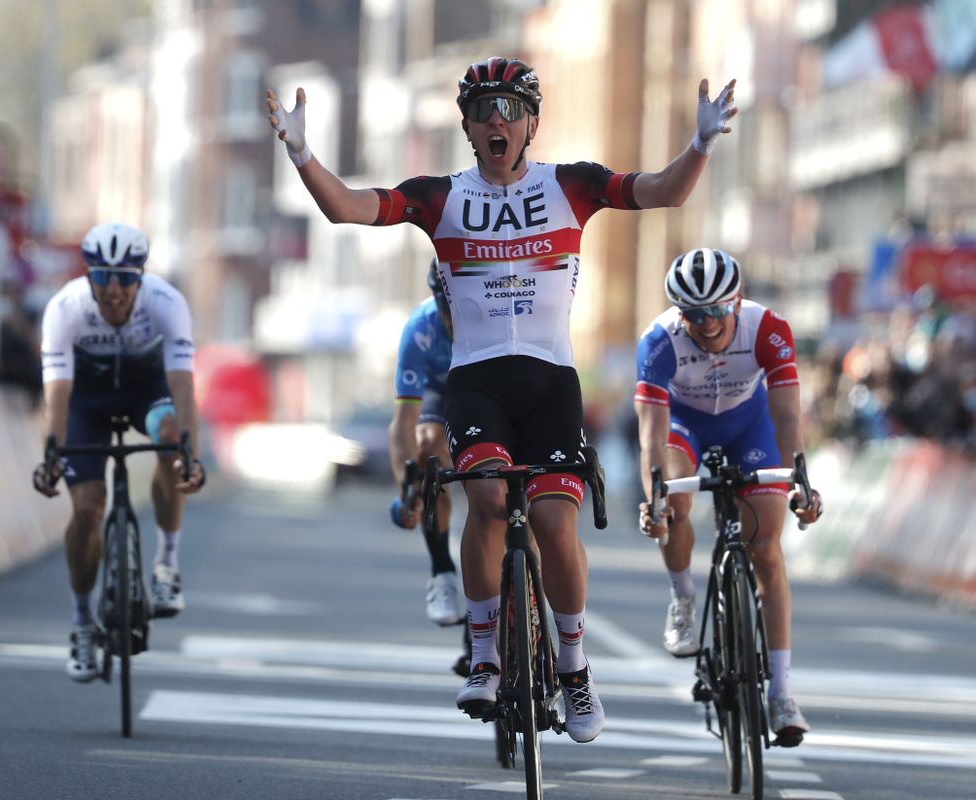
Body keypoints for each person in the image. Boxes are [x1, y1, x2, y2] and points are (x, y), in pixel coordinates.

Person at [267, 56, 737, 744]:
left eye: (511, 109)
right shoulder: (439, 196)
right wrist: (304, 154)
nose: (498, 120)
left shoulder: (571, 185)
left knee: (553, 525)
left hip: (550, 380)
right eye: (485, 109)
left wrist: (699, 144)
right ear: (465, 125)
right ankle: (485, 654)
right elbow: (348, 208)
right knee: (485, 497)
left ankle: (574, 670)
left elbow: (662, 192)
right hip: (478, 380)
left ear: (532, 125)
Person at [634, 247, 821, 746]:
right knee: (673, 503)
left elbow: (786, 415)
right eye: (696, 314)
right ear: (680, 313)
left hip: (750, 426)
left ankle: (781, 691)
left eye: (718, 310)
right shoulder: (658, 341)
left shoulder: (768, 328)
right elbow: (651, 435)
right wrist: (654, 493)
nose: (709, 323)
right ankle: (683, 599)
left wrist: (799, 479)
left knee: (766, 547)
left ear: (737, 302)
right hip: (684, 428)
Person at [32, 222, 206, 682]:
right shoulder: (65, 309)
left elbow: (183, 388)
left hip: (144, 392)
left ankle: (166, 565)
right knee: (88, 510)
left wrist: (190, 454)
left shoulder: (167, 303)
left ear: (141, 277)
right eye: (103, 277)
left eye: (126, 278)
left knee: (172, 438)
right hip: (85, 401)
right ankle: (82, 624)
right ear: (88, 276)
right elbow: (58, 395)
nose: (113, 290)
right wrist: (51, 454)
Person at [388, 257, 463, 626]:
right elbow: (403, 422)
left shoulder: (499, 314)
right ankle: (443, 572)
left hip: (491, 384)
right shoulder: (421, 328)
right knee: (428, 446)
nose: (452, 316)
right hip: (441, 394)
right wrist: (407, 487)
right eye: (446, 304)